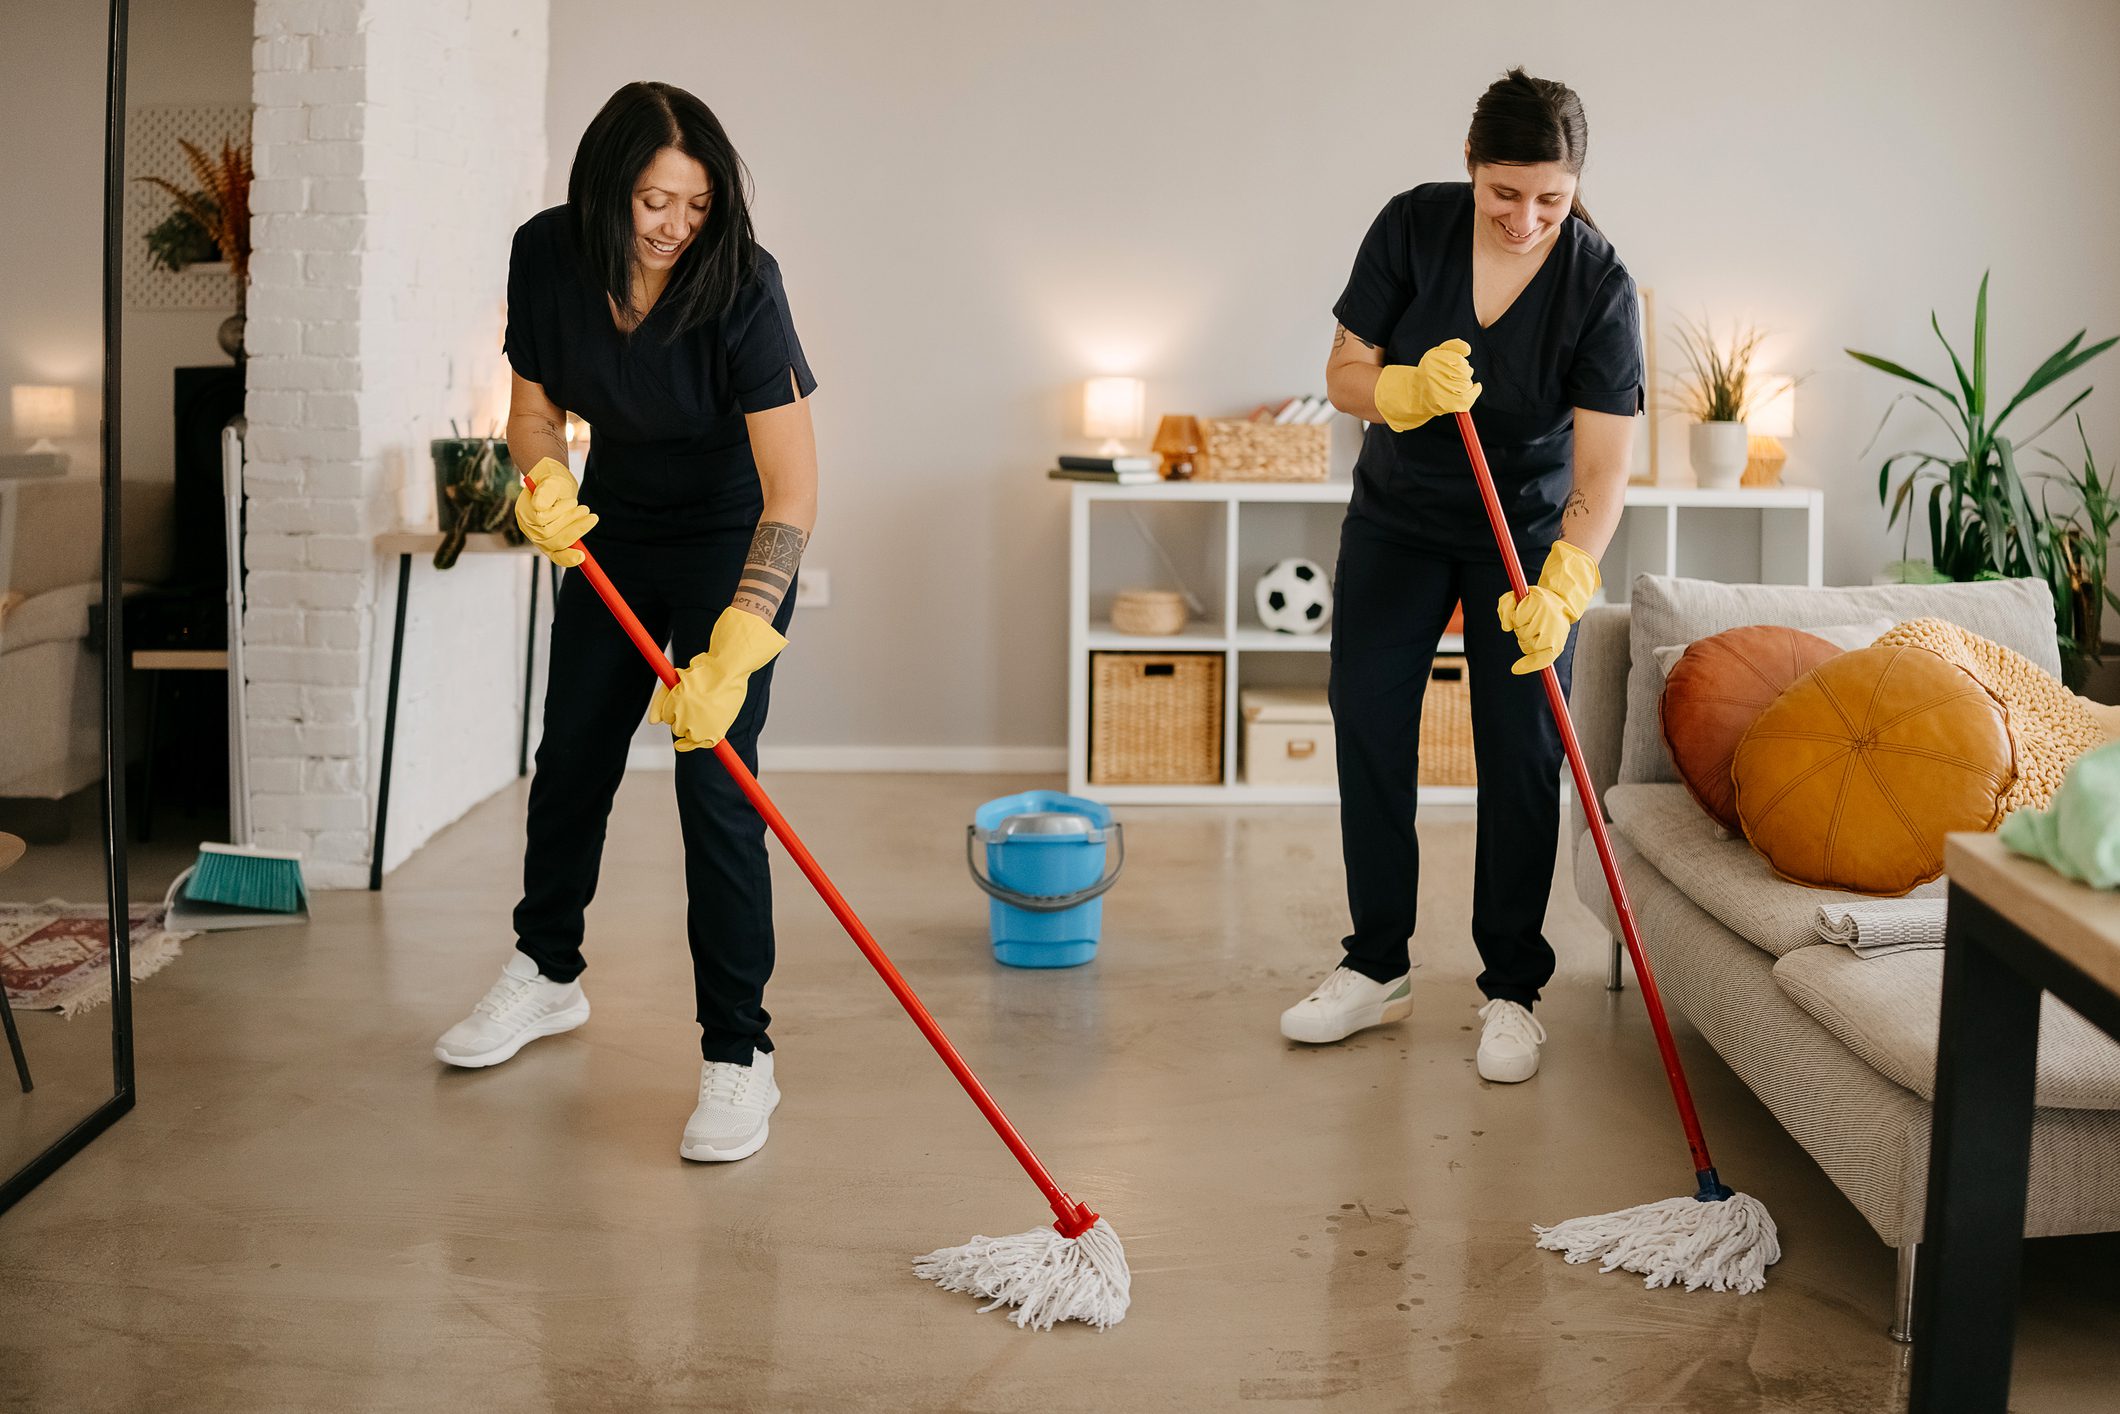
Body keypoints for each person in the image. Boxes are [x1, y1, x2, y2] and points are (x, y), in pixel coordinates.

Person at [434, 81, 819, 1164]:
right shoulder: (547, 255)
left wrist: (738, 642)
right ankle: (547, 971)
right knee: (572, 758)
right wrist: (542, 483)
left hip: (727, 535)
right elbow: (532, 409)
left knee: (716, 784)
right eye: (655, 201)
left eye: (694, 207)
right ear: (606, 189)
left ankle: (740, 1053)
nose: (673, 228)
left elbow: (790, 486)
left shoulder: (743, 284)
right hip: (616, 529)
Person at [1278, 69, 1642, 1083]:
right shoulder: (1410, 228)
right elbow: (1341, 374)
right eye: (1503, 194)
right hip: (1396, 519)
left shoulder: (1598, 285)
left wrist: (1564, 583)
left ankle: (1511, 987)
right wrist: (1397, 387)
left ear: (1573, 188)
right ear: (1470, 170)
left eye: (1550, 199)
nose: (1525, 219)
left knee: (1521, 749)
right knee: (1366, 717)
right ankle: (1375, 964)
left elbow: (1604, 469)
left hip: (1518, 531)